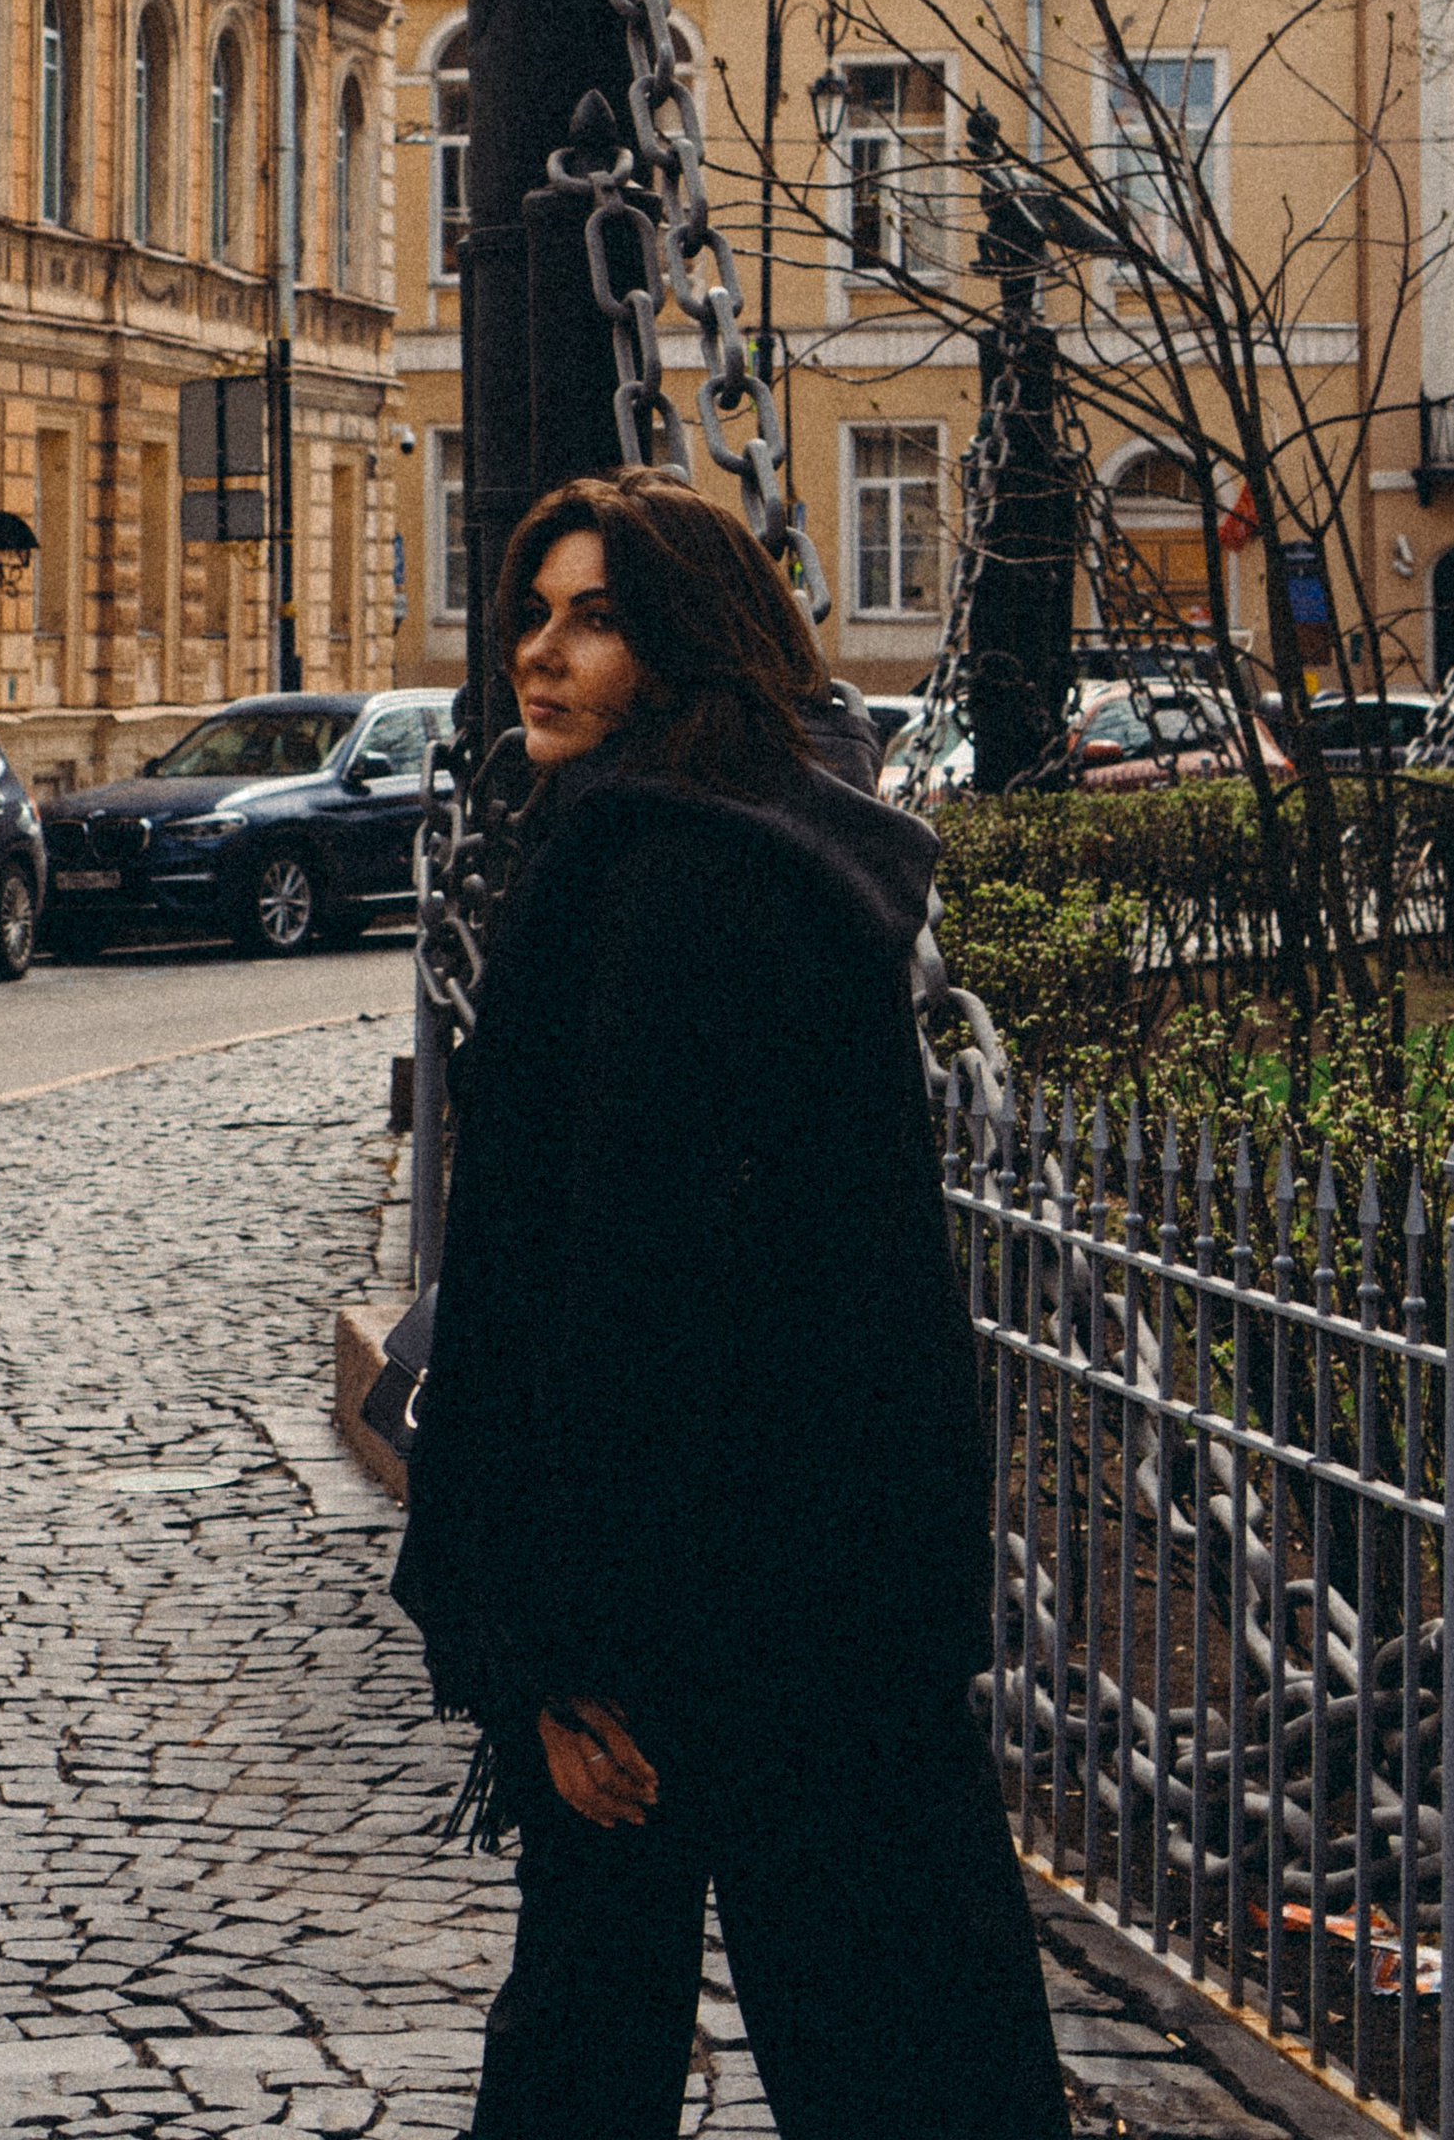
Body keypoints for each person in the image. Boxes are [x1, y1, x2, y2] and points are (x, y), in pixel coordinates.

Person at [392, 468, 1071, 2140]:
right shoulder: (773, 839)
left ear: (687, 647)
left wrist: (566, 1650)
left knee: (610, 2038)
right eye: (530, 618)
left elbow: (630, 1294)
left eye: (595, 620)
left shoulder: (661, 879)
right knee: (883, 2031)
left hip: (700, 1608)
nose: (539, 660)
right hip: (814, 1586)